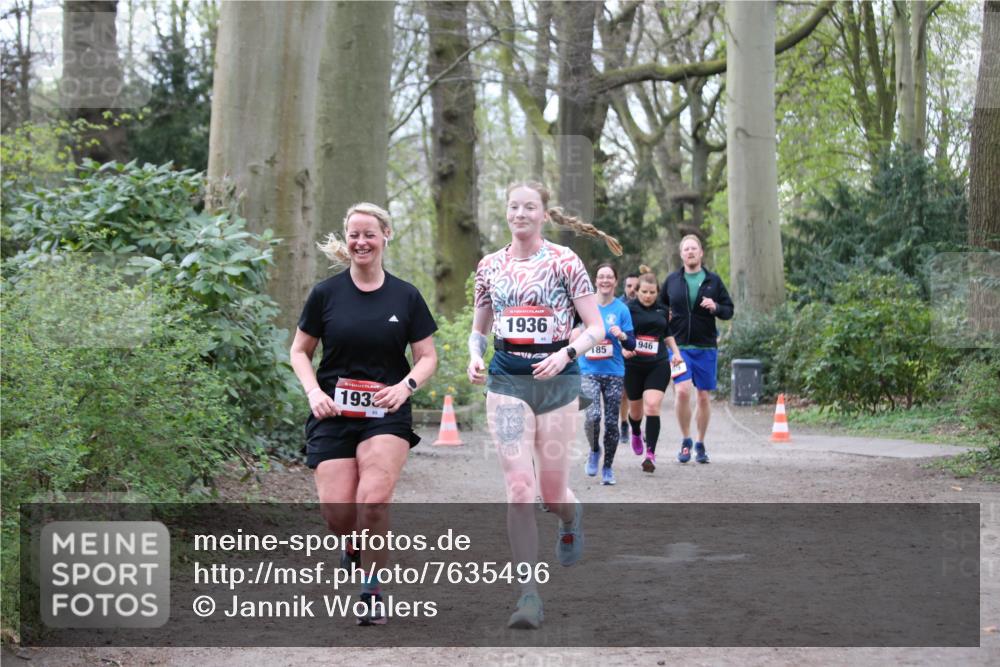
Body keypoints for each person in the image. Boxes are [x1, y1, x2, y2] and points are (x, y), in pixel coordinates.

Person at [467, 181, 621, 629]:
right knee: (518, 488)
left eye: (529, 207)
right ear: (506, 213)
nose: (520, 214)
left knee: (551, 495)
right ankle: (528, 595)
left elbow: (596, 328)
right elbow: (480, 329)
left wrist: (566, 354)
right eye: (513, 206)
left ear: (543, 213)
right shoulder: (489, 266)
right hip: (508, 381)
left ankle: (571, 518)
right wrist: (476, 355)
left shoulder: (564, 262)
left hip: (557, 382)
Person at [290, 203, 438, 626]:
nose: (361, 242)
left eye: (369, 234)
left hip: (385, 412)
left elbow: (427, 357)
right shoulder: (326, 294)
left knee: (373, 499)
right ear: (346, 239)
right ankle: (353, 545)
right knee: (338, 512)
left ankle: (372, 589)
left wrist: (405, 386)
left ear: (385, 235)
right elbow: (300, 351)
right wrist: (313, 391)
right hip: (333, 411)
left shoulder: (405, 296)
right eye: (354, 234)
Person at [660, 234, 734, 464]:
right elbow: (659, 307)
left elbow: (729, 310)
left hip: (705, 347)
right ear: (681, 254)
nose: (690, 252)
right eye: (686, 249)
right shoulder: (672, 281)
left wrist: (716, 306)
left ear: (701, 253)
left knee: (703, 396)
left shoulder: (713, 281)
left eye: (694, 248)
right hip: (678, 346)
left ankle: (700, 442)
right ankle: (685, 440)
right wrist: (664, 316)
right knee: (682, 391)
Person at [577, 264, 635, 486]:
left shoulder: (621, 310)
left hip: (614, 372)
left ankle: (608, 467)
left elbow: (632, 342)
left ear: (615, 281)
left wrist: (621, 335)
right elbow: (570, 330)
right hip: (588, 371)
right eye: (601, 276)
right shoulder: (584, 306)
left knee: (611, 423)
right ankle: (594, 450)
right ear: (595, 280)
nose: (605, 280)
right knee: (592, 417)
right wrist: (577, 333)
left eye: (609, 277)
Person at [623, 266, 683, 473]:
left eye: (652, 292)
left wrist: (676, 353)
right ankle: (636, 431)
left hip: (657, 364)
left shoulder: (662, 310)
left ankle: (650, 454)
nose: (648, 296)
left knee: (652, 406)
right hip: (633, 366)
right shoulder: (627, 309)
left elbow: (667, 334)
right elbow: (618, 335)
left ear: (657, 292)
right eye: (644, 292)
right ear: (636, 291)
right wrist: (622, 350)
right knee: (636, 411)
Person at [617, 270, 640, 444]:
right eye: (629, 286)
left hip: (642, 354)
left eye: (636, 286)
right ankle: (624, 423)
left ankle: (638, 426)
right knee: (624, 393)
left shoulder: (647, 305)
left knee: (640, 395)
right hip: (623, 353)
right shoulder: (618, 305)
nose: (633, 290)